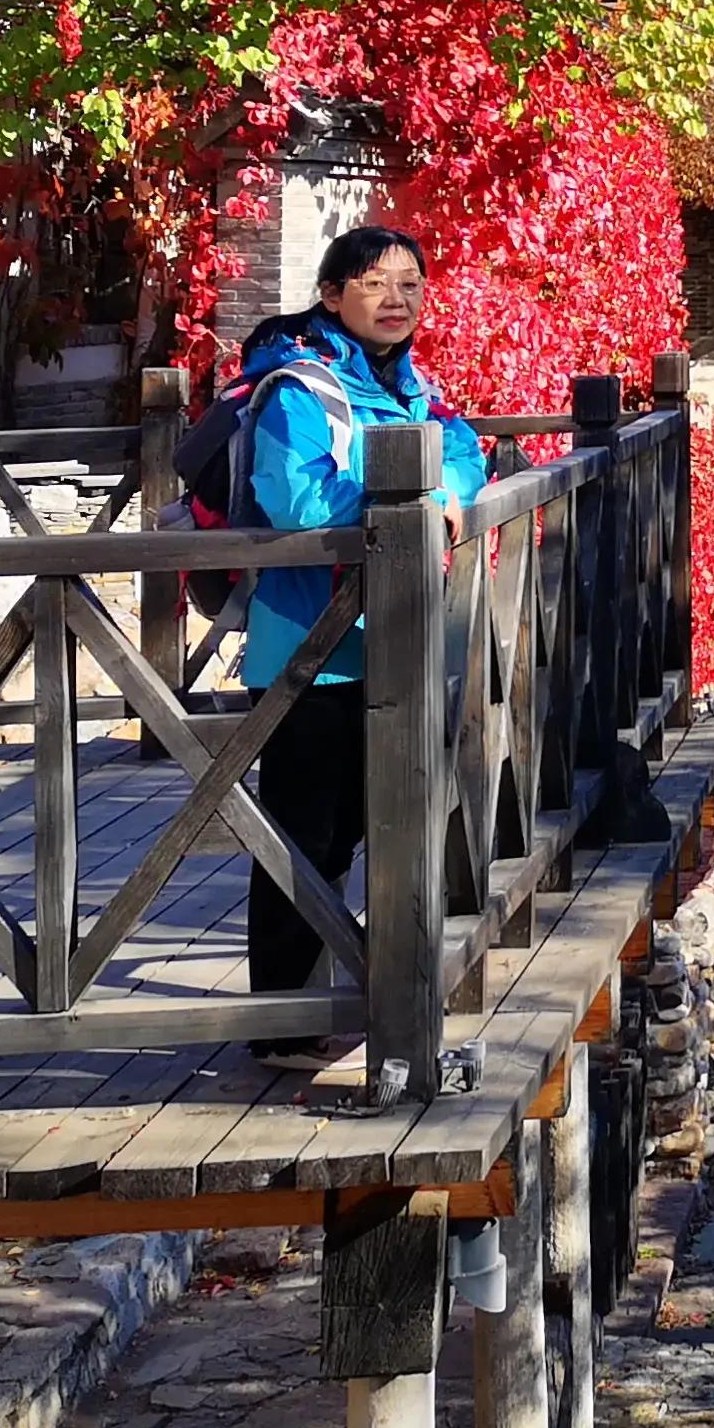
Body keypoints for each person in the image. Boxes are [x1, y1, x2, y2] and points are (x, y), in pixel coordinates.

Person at [232, 224, 488, 1060]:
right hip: (311, 645)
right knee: (305, 832)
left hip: (396, 640)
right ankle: (284, 1023)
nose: (396, 298)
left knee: (381, 825)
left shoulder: (412, 385)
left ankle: (368, 1002)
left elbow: (463, 450)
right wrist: (411, 503)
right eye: (375, 282)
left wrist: (442, 487)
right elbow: (298, 501)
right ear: (332, 294)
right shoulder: (296, 387)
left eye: (411, 283)